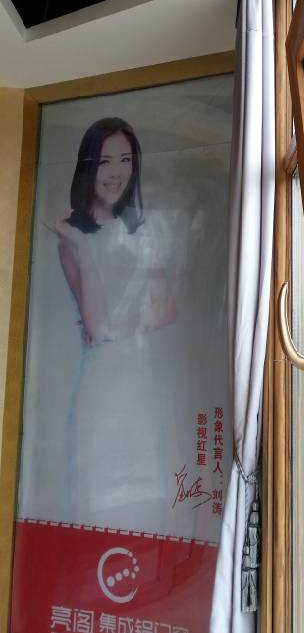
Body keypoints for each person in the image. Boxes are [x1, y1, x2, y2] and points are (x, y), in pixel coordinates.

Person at [50, 117, 177, 530]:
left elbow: (167, 307)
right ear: (88, 166)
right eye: (105, 161)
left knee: (147, 511)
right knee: (96, 509)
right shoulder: (71, 238)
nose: (116, 172)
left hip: (142, 390)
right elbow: (97, 322)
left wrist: (117, 329)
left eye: (125, 160)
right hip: (100, 392)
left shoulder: (143, 228)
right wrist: (83, 248)